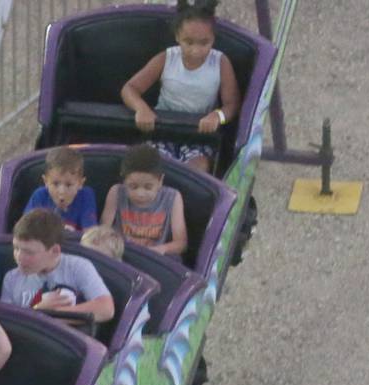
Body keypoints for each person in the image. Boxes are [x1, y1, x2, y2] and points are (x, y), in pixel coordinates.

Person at [120, 0, 240, 173]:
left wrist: (217, 116)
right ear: (177, 36)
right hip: (162, 130)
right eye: (189, 42)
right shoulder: (167, 58)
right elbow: (130, 88)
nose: (196, 50)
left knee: (197, 170)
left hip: (199, 135)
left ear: (213, 38)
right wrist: (141, 109)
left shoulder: (220, 62)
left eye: (204, 43)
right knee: (152, 167)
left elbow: (232, 104)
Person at [0, 209, 115, 323]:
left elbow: (106, 308)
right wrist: (37, 310)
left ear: (55, 251)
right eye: (16, 248)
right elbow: (6, 322)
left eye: (29, 252)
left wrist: (52, 313)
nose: (19, 256)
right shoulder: (12, 279)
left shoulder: (78, 267)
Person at [100, 145, 188, 256]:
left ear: (160, 181)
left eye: (148, 187)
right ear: (123, 179)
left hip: (154, 257)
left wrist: (161, 249)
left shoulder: (173, 197)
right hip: (121, 254)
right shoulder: (116, 192)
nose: (140, 194)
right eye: (133, 186)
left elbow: (181, 243)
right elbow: (102, 232)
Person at [22, 146, 97, 231]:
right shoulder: (39, 196)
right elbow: (26, 230)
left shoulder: (86, 196)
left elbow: (90, 232)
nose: (62, 191)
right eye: (55, 184)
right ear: (46, 181)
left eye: (68, 185)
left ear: (80, 184)